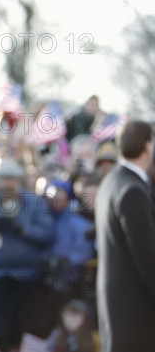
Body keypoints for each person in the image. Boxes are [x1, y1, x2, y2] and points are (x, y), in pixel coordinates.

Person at [0, 161, 54, 352]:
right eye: (3, 181)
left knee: (27, 326)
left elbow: (48, 234)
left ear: (20, 182)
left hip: (29, 276)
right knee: (0, 326)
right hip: (0, 276)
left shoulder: (34, 202)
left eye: (11, 181)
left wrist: (24, 229)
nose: (7, 185)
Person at [95, 120, 155, 351]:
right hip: (135, 311)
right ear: (148, 146)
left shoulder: (111, 181)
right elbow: (147, 256)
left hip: (117, 307)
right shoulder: (132, 190)